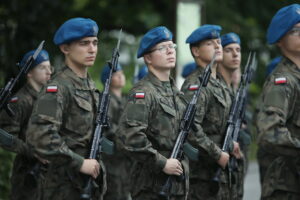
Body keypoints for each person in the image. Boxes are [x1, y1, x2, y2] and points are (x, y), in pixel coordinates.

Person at [26, 17, 106, 200]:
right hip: (63, 187)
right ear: (65, 48)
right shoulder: (57, 88)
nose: (92, 49)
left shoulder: (90, 86)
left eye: (95, 43)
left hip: (88, 185)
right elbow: (40, 135)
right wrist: (79, 163)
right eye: (84, 43)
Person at [117, 26, 189, 200]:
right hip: (151, 188)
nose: (170, 51)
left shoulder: (175, 93)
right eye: (163, 48)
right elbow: (129, 136)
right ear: (148, 58)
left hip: (176, 186)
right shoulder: (143, 93)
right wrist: (162, 162)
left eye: (172, 46)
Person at [181, 25, 241, 200]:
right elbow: (190, 128)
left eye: (218, 42)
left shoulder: (220, 83)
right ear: (196, 51)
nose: (217, 46)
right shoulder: (196, 85)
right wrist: (217, 153)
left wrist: (231, 143)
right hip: (202, 176)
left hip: (220, 174)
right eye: (210, 43)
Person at [256, 4, 300, 200]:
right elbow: (269, 132)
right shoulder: (282, 81)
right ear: (281, 39)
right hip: (286, 187)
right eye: (297, 30)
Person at [0, 49, 51, 200]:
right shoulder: (20, 101)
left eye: (50, 67)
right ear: (29, 73)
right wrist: (33, 151)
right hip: (27, 176)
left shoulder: (47, 99)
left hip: (48, 176)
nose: (49, 72)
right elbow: (5, 136)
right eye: (43, 68)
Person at [219, 32, 250, 200]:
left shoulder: (231, 90)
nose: (235, 54)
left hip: (230, 170)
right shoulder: (214, 87)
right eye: (229, 50)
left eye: (238, 49)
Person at [100, 64, 131, 200]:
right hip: (112, 159)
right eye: (116, 74)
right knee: (115, 193)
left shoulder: (124, 99)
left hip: (124, 158)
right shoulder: (106, 100)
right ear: (108, 79)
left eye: (122, 73)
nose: (121, 76)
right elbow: (108, 128)